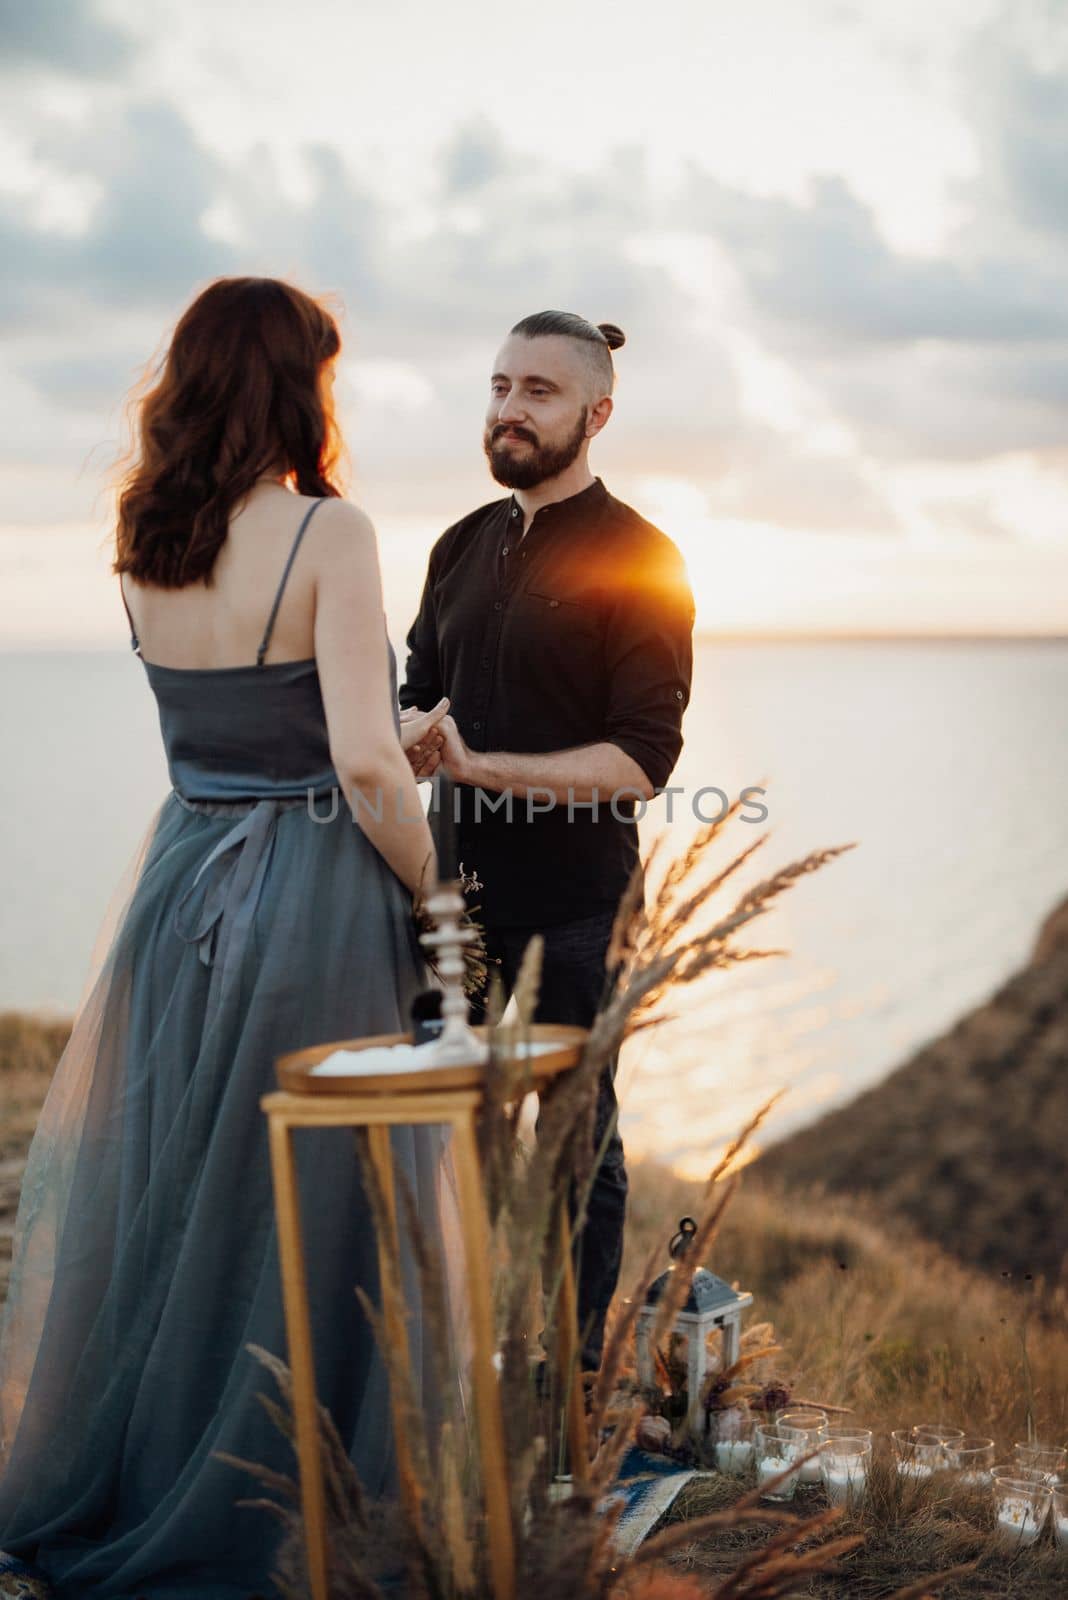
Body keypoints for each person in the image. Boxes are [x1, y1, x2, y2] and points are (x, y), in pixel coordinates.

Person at [0, 277, 453, 1599]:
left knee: (186, 1195)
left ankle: (153, 1471)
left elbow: (255, 733)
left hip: (183, 879)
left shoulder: (145, 541)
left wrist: (372, 745)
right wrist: (435, 892)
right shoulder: (332, 531)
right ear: (296, 383)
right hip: (311, 896)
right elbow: (366, 771)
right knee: (315, 1207)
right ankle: (292, 1502)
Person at [399, 310, 696, 1373]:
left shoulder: (644, 558)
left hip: (582, 903)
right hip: (456, 900)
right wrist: (408, 733)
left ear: (597, 413)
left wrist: (477, 766)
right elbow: (416, 696)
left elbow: (640, 760)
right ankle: (445, 1358)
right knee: (442, 1125)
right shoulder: (459, 544)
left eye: (538, 391)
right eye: (498, 386)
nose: (508, 410)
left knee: (574, 1142)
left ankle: (561, 1376)